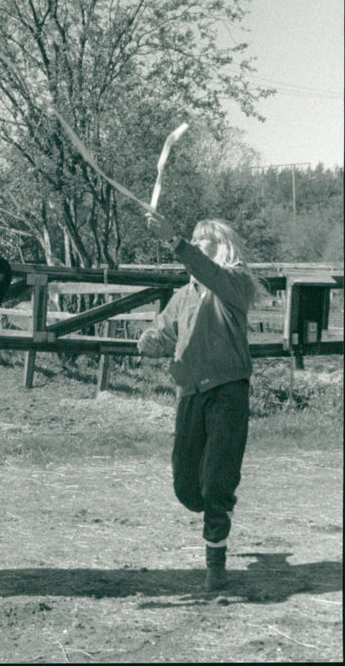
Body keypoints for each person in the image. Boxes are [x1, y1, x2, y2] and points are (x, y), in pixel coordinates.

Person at [138, 213, 261, 592]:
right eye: (191, 239)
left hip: (227, 394)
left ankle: (215, 565)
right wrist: (149, 341)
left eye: (200, 241)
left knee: (215, 484)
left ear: (219, 249)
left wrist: (175, 243)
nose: (194, 244)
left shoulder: (234, 285)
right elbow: (161, 332)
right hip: (190, 396)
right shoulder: (182, 297)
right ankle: (212, 510)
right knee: (186, 488)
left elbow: (208, 272)